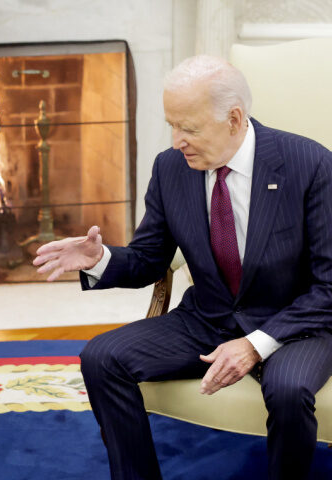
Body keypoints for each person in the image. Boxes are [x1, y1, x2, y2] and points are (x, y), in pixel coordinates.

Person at [34, 55, 332, 480]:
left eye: (189, 128)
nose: (176, 140)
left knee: (288, 390)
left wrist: (254, 345)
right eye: (172, 124)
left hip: (293, 322)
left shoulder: (310, 164)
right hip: (207, 317)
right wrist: (100, 259)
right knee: (101, 357)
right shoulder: (171, 167)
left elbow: (329, 287)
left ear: (234, 118)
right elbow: (149, 259)